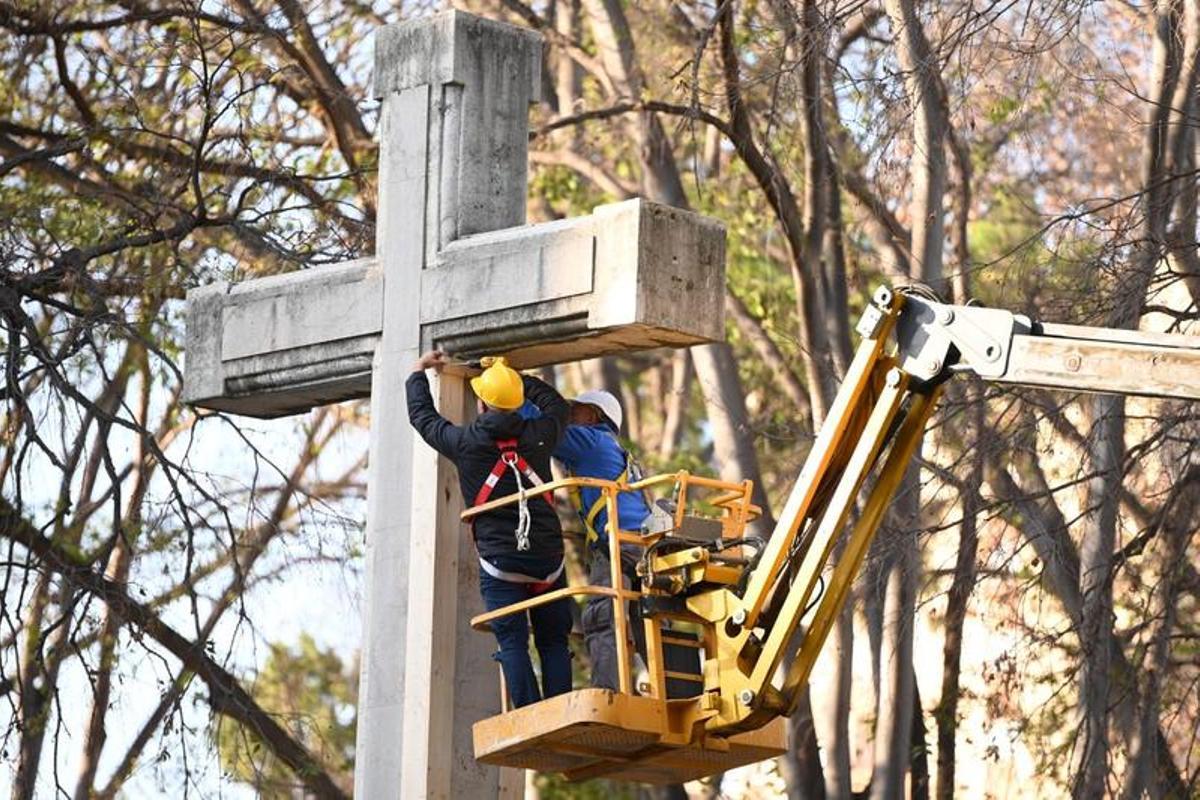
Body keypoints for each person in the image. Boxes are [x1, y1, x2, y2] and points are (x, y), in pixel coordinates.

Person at [406, 350, 573, 708]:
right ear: (516, 402)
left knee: (512, 641)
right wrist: (513, 378)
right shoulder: (541, 434)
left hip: (501, 563)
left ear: (480, 403)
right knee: (553, 640)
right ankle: (561, 709)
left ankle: (530, 715)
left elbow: (423, 418)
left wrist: (418, 372)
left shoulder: (465, 443)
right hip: (548, 558)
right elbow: (556, 405)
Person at [524, 389, 651, 692]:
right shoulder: (612, 447)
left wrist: (512, 392)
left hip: (618, 544)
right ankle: (672, 688)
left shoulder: (590, 441)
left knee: (603, 619)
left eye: (575, 410)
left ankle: (608, 693)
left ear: (594, 415)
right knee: (649, 622)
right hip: (643, 543)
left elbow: (544, 430)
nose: (568, 415)